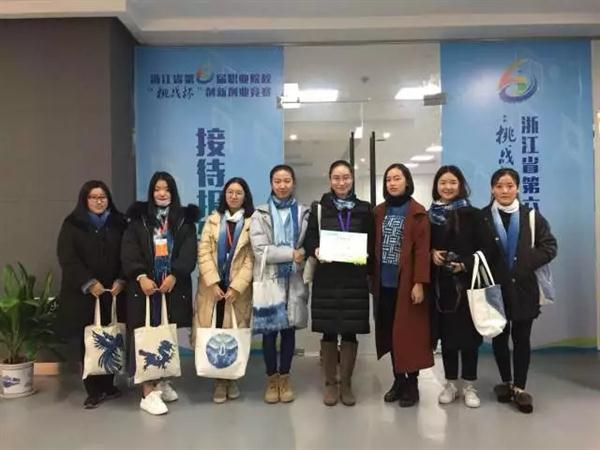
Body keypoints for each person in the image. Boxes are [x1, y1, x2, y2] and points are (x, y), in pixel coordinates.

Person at [480, 168, 557, 414]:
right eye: (499, 186)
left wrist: (525, 262)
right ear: (492, 189)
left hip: (524, 288)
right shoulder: (482, 218)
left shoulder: (531, 217)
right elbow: (474, 250)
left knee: (522, 339)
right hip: (495, 289)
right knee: (499, 337)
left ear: (518, 188)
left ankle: (520, 388)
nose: (505, 191)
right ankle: (506, 382)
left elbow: (550, 246)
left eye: (510, 186)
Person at [121, 172, 199, 415]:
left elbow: (189, 252)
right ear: (151, 192)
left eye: (166, 189)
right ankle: (147, 392)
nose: (162, 193)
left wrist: (174, 274)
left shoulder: (184, 221)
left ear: (173, 192)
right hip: (145, 289)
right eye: (157, 189)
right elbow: (129, 250)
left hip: (171, 288)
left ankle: (163, 381)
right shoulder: (138, 220)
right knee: (145, 338)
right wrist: (141, 276)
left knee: (166, 336)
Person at [304, 160, 374, 407]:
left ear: (352, 179)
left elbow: (372, 240)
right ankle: (330, 383)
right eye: (336, 178)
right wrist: (315, 249)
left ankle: (346, 383)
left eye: (346, 177)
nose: (341, 182)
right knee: (329, 330)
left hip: (354, 278)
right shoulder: (319, 208)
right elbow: (310, 238)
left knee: (350, 330)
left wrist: (366, 254)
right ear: (330, 180)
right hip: (327, 278)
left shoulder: (365, 209)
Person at [57, 180, 127, 409]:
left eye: (102, 197)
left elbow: (127, 254)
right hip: (84, 296)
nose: (99, 201)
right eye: (93, 197)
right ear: (85, 200)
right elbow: (68, 258)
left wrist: (121, 279)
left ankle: (109, 384)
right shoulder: (73, 224)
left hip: (112, 293)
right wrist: (88, 283)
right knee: (89, 341)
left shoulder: (119, 223)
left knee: (111, 338)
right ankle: (93, 390)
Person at [371, 163, 433, 408]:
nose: (392, 183)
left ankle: (412, 383)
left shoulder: (417, 212)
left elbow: (422, 251)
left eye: (397, 178)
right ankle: (398, 380)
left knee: (409, 335)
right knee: (390, 333)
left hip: (407, 284)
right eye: (388, 179)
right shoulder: (379, 212)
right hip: (384, 284)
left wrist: (419, 282)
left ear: (407, 181)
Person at [250, 165, 310, 404]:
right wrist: (291, 254)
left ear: (293, 183)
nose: (282, 185)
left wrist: (301, 253)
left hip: (294, 278)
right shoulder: (260, 214)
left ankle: (285, 378)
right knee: (269, 331)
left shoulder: (303, 213)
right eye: (277, 181)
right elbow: (260, 250)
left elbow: (308, 244)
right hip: (269, 279)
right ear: (271, 184)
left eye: (286, 180)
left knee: (288, 331)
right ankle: (271, 379)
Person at [195, 177, 255, 403]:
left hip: (237, 290)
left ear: (245, 196)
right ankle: (219, 382)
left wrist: (237, 287)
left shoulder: (251, 223)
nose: (234, 196)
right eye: (230, 192)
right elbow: (203, 253)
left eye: (239, 192)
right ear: (224, 195)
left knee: (233, 335)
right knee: (215, 332)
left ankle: (232, 378)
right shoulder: (212, 221)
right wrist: (213, 282)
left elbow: (252, 258)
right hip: (213, 289)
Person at [429, 165, 483, 408]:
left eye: (452, 182)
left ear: (460, 185)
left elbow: (486, 249)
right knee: (448, 337)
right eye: (443, 183)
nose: (447, 187)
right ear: (436, 186)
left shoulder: (473, 214)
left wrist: (465, 264)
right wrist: (431, 253)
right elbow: (423, 245)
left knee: (470, 338)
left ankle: (469, 385)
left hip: (468, 284)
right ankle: (450, 383)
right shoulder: (430, 216)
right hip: (442, 286)